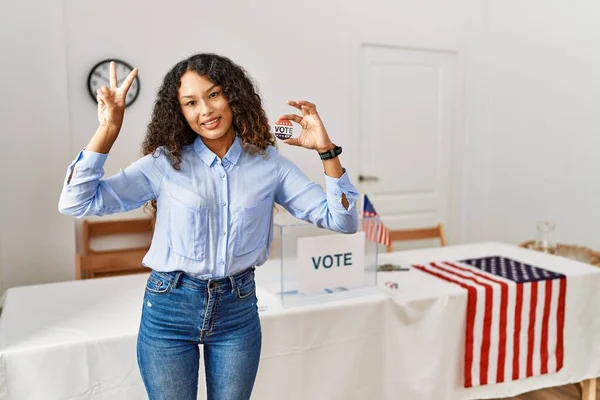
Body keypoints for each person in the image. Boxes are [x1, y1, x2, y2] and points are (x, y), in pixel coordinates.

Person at [58, 53, 359, 400]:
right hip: (169, 308)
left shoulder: (270, 166)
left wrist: (326, 150)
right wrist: (108, 129)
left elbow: (344, 220)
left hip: (238, 312)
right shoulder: (164, 163)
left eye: (214, 94)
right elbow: (75, 202)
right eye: (190, 102)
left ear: (234, 96)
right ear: (180, 112)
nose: (206, 110)